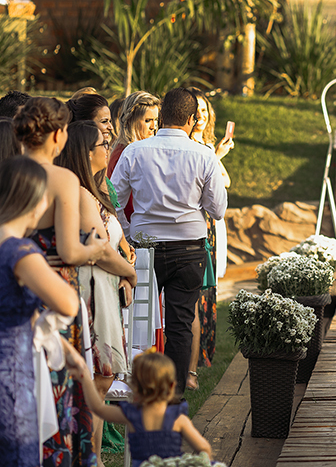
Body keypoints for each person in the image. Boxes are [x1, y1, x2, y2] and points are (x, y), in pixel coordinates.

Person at [111, 87, 228, 393]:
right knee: (180, 324)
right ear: (192, 119)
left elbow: (113, 199)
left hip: (144, 247)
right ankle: (173, 396)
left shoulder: (134, 152)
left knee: (139, 322)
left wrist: (127, 231)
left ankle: (139, 390)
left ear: (161, 116)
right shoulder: (204, 155)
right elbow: (218, 209)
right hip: (188, 249)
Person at [55, 120, 137, 456]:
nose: (108, 148)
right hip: (91, 288)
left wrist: (123, 272)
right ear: (85, 153)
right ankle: (88, 456)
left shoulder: (94, 191)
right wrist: (130, 273)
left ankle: (93, 456)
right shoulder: (81, 193)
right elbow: (100, 248)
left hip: (104, 285)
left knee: (101, 378)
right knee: (97, 376)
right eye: (102, 144)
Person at [0, 156, 80, 467]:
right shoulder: (18, 251)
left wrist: (65, 351)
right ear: (33, 201)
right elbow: (68, 303)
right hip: (11, 377)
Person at [65, 348, 212, 467]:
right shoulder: (178, 419)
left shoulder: (133, 415)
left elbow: (98, 407)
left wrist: (85, 377)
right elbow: (204, 448)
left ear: (134, 387)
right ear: (172, 386)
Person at [185, 88, 234, 391]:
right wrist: (216, 156)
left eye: (205, 110)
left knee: (209, 286)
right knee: (199, 288)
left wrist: (217, 154)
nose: (201, 115)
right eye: (197, 110)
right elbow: (210, 179)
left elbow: (224, 180)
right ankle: (195, 354)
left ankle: (203, 351)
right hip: (199, 223)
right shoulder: (190, 146)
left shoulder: (205, 144)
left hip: (212, 222)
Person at [108, 91, 161, 223]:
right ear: (131, 120)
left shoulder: (137, 149)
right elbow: (120, 203)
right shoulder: (124, 153)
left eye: (155, 120)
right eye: (147, 121)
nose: (153, 127)